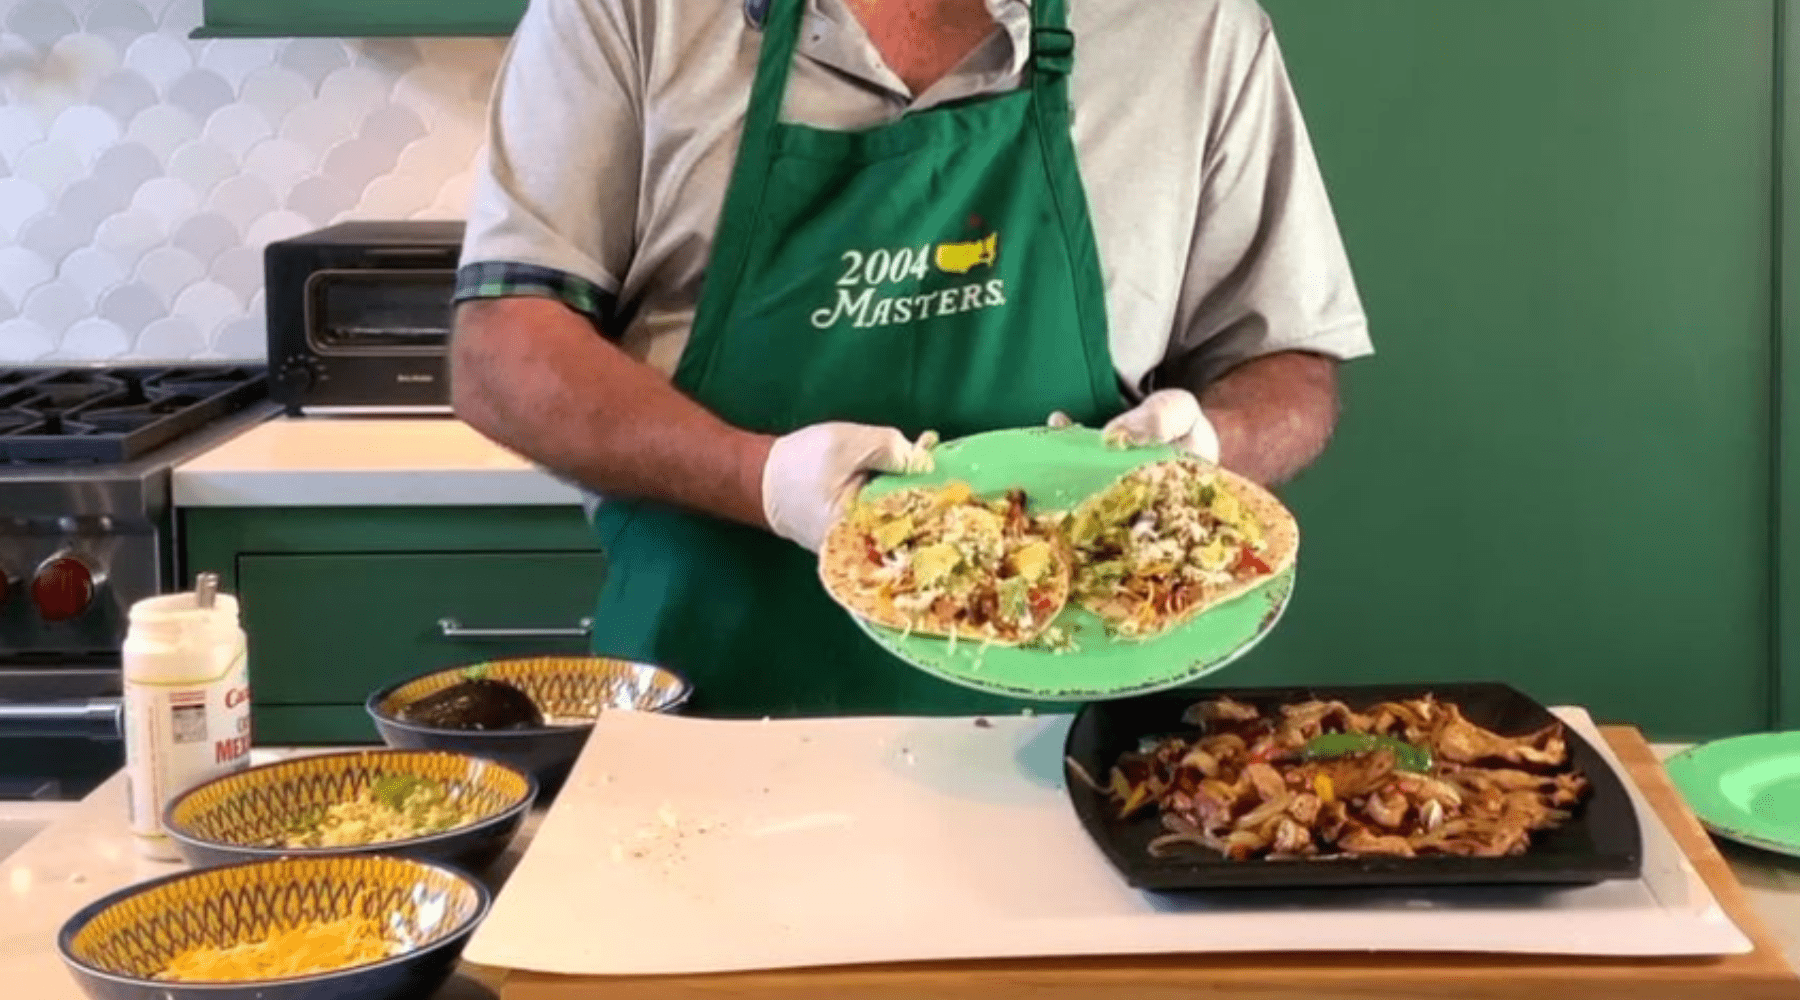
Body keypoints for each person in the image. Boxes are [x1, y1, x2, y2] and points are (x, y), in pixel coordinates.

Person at [450, 0, 1372, 718]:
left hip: (1083, 751)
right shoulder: (628, 17)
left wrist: (1209, 455)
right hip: (704, 721)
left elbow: (1289, 366)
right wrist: (761, 476)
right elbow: (503, 353)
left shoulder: (1194, 32)